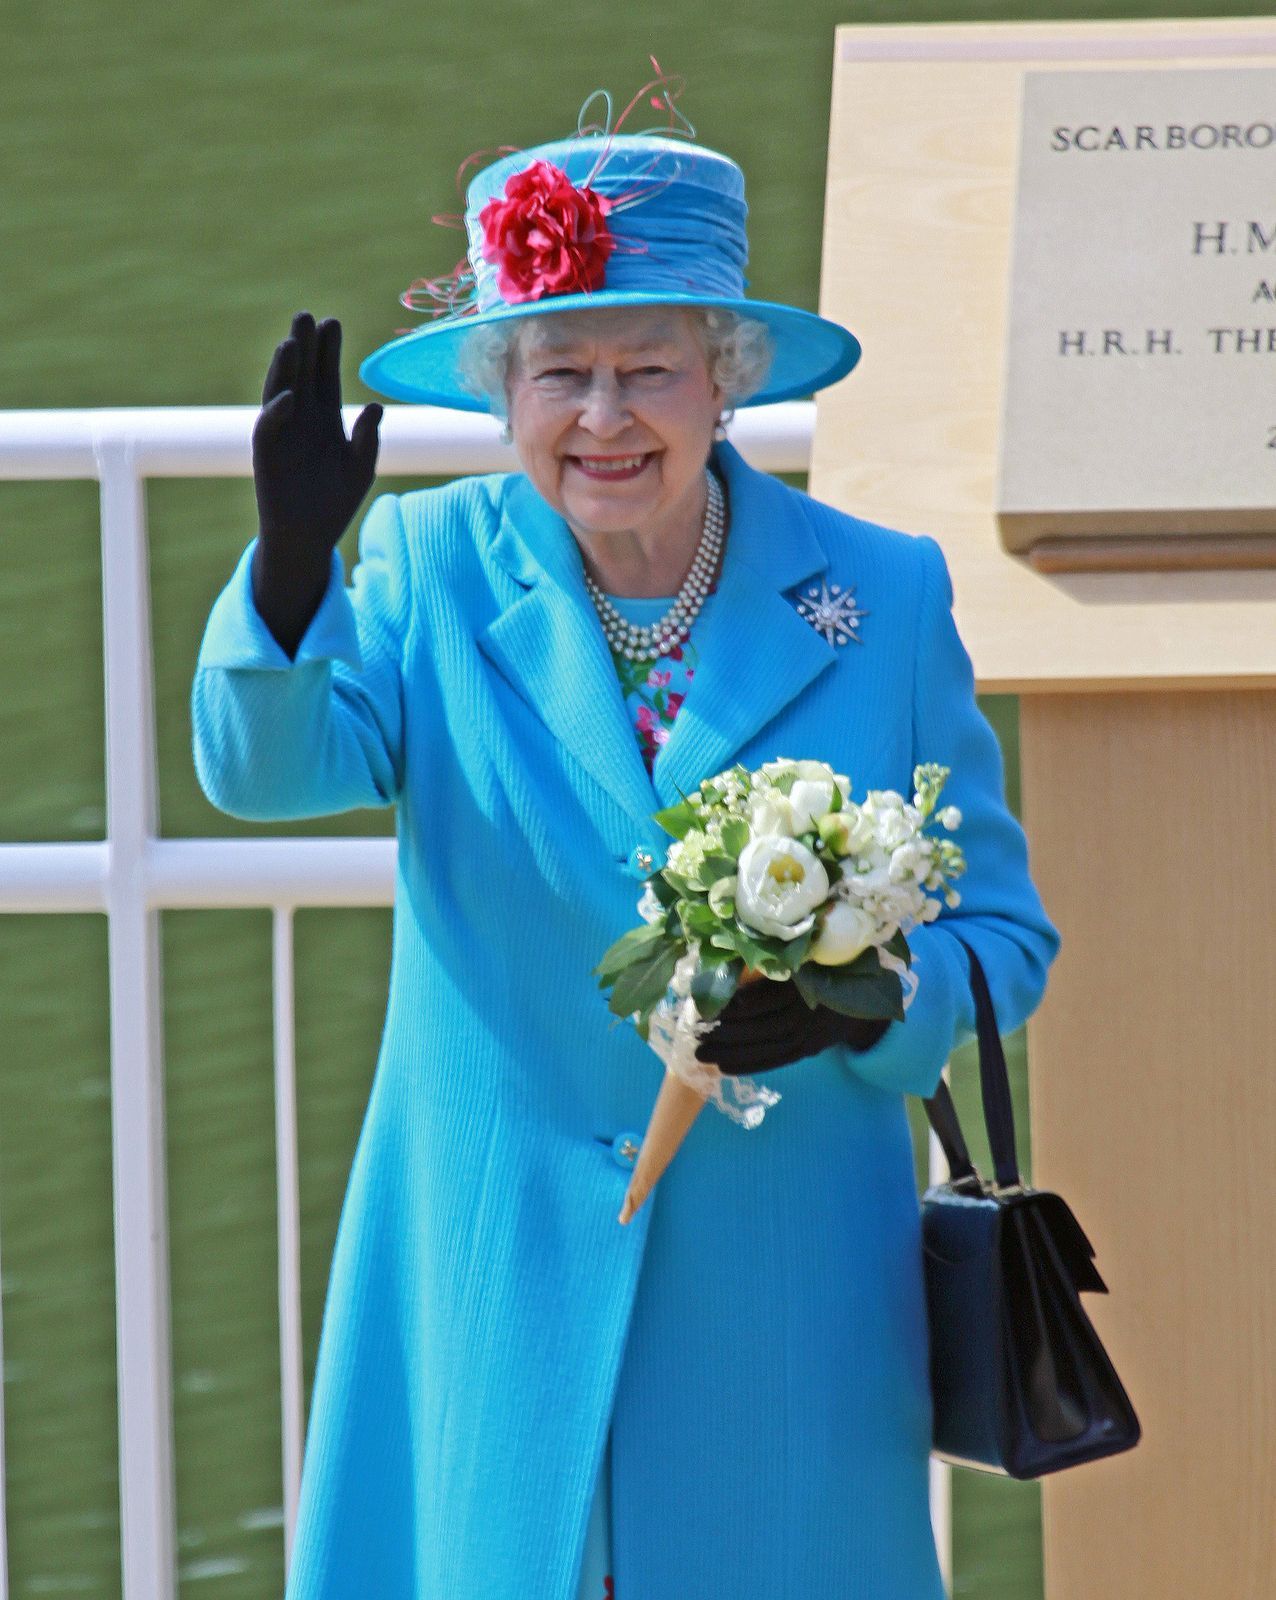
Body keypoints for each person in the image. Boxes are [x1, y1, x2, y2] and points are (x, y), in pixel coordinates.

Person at [191, 86, 1061, 1600]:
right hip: (495, 1279)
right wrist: (283, 575)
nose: (604, 419)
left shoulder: (882, 598)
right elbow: (263, 774)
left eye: (648, 368)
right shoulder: (421, 565)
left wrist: (866, 998)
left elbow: (1004, 949)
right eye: (560, 372)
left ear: (724, 381)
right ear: (502, 390)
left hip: (783, 1317)